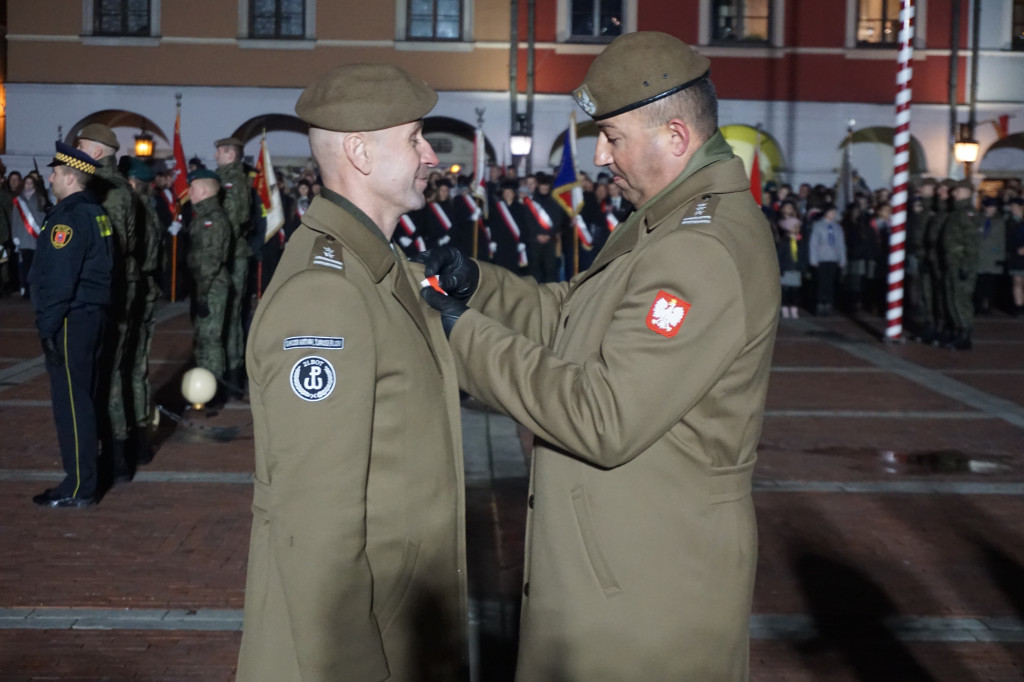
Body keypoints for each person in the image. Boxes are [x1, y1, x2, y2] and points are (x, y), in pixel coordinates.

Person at [417, 31, 779, 681]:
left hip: (646, 596)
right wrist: (481, 284)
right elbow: (573, 315)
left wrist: (459, 335)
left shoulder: (700, 248)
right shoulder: (666, 221)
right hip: (625, 572)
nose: (602, 157)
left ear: (674, 136)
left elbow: (604, 416)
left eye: (613, 137)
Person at [236, 63, 467, 682]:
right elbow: (316, 533)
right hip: (365, 645)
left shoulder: (378, 268)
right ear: (360, 153)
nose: (430, 156)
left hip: (402, 622)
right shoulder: (327, 295)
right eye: (416, 138)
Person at [30, 142, 113, 508]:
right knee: (85, 398)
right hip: (90, 315)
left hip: (72, 317)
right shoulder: (94, 213)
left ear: (69, 177)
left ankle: (79, 485)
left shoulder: (68, 219)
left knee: (72, 405)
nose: (50, 178)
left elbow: (60, 278)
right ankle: (85, 478)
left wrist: (47, 325)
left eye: (55, 173)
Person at [76, 123, 139, 481]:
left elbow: (110, 251)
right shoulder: (107, 188)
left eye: (82, 146)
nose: (77, 152)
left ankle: (116, 457)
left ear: (97, 153)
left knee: (111, 374)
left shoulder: (109, 193)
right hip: (110, 290)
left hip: (111, 292)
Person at [126, 159, 162, 463]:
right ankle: (138, 437)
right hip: (145, 291)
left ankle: (136, 438)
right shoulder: (148, 208)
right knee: (137, 368)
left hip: (136, 292)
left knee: (133, 369)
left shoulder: (137, 211)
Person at [213, 137, 253, 394]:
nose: (216, 155)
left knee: (230, 315)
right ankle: (231, 370)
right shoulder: (224, 178)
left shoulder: (233, 181)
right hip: (228, 253)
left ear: (231, 154)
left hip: (231, 255)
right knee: (228, 316)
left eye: (220, 151)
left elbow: (234, 220)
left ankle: (231, 372)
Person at [185, 169, 232, 380]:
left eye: (192, 188)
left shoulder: (212, 220)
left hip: (211, 286)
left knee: (210, 340)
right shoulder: (203, 216)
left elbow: (210, 261)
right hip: (204, 286)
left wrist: (202, 294)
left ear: (204, 190)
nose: (189, 192)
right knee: (202, 338)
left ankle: (212, 388)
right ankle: (204, 387)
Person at [942, 179, 980, 349]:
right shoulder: (956, 212)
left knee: (961, 300)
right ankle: (958, 331)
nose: (954, 194)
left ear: (966, 192)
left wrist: (967, 263)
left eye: (957, 191)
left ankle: (965, 335)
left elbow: (972, 241)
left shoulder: (967, 213)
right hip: (952, 261)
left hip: (961, 262)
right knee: (952, 298)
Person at [11, 174, 47, 300]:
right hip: (23, 239)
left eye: (31, 183)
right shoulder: (18, 200)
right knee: (25, 266)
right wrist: (15, 236)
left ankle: (36, 290)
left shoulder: (40, 198)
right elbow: (14, 219)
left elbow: (43, 218)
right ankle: (26, 290)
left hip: (36, 238)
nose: (29, 185)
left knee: (36, 267)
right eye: (27, 183)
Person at [809, 204, 846, 316]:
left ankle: (828, 304)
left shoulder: (837, 227)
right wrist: (813, 259)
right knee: (821, 283)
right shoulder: (818, 226)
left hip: (833, 258)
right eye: (831, 212)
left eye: (834, 212)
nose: (833, 214)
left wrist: (842, 258)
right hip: (822, 258)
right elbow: (813, 243)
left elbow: (841, 244)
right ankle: (820, 304)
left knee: (830, 283)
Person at [974, 197, 1006, 315]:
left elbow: (1001, 240)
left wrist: (1000, 257)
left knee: (990, 284)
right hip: (980, 256)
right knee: (979, 283)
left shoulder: (999, 221)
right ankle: (978, 306)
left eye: (994, 207)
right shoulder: (978, 219)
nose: (992, 209)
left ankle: (988, 306)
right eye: (989, 207)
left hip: (992, 256)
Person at [1007, 197, 1024, 317]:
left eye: (1015, 207)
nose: (1013, 209)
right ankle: (1019, 307)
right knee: (1017, 281)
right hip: (1015, 255)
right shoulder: (1010, 222)